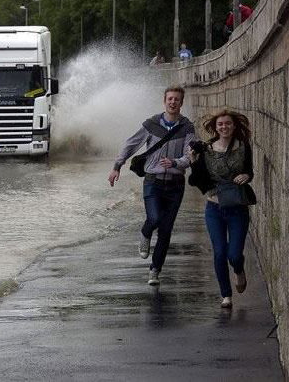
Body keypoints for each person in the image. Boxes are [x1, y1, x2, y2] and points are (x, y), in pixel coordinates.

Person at [108, 86, 195, 286]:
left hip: (175, 185)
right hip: (153, 182)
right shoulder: (151, 124)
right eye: (170, 99)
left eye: (177, 100)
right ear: (164, 101)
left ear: (181, 103)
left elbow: (191, 155)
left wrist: (175, 163)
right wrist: (116, 166)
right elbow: (131, 144)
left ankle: (155, 270)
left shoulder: (187, 127)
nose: (173, 102)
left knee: (166, 230)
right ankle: (145, 234)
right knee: (154, 218)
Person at [188, 109, 254, 308]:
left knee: (233, 254)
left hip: (237, 207)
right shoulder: (207, 149)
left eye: (228, 123)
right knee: (219, 252)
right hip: (214, 209)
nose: (224, 127)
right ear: (215, 128)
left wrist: (247, 176)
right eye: (220, 124)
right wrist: (193, 162)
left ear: (234, 126)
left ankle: (239, 270)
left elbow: (249, 170)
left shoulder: (243, 147)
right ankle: (226, 295)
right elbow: (198, 178)